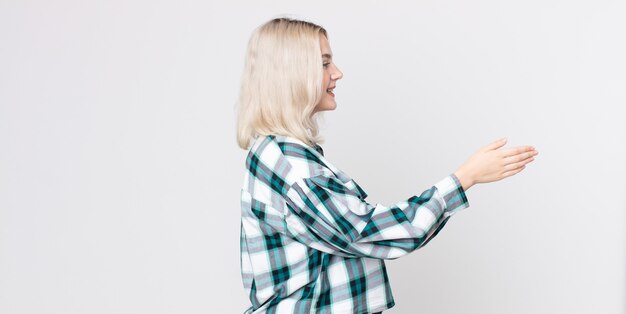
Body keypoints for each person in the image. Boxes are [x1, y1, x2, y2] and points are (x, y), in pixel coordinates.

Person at [235, 17, 538, 314]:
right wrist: (464, 178)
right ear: (292, 73)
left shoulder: (278, 152)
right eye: (325, 63)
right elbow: (369, 232)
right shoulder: (293, 168)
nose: (337, 73)